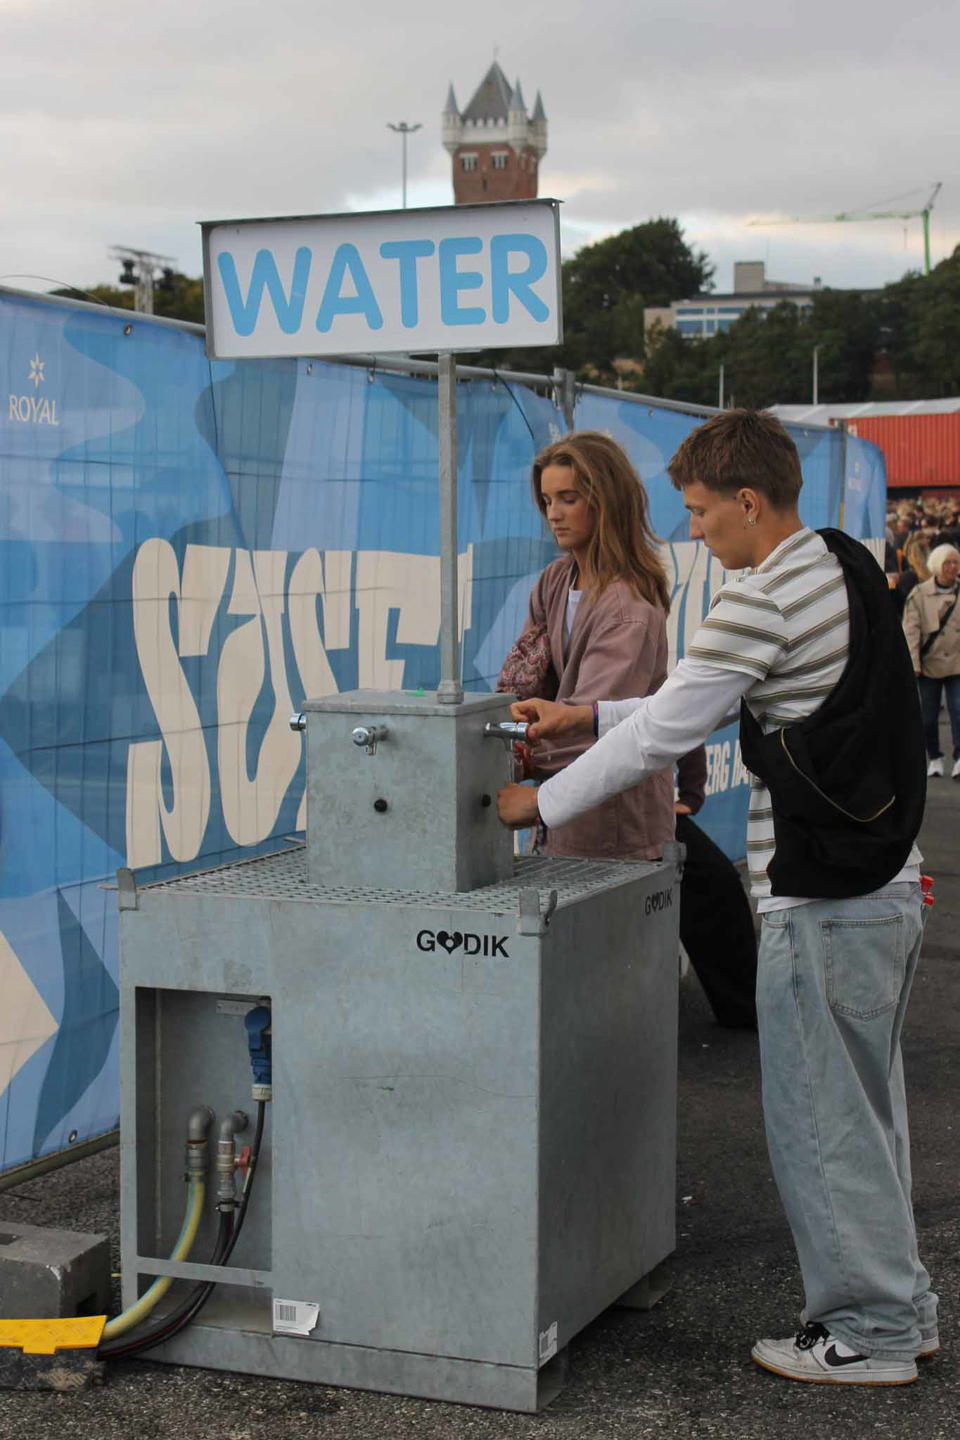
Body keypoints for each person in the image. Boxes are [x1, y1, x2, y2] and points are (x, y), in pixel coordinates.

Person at [498, 409, 936, 1386]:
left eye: (699, 513)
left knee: (822, 1124)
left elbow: (662, 733)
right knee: (868, 1116)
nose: (693, 532)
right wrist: (585, 711)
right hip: (886, 885)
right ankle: (901, 1308)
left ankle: (865, 1334)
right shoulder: (842, 564)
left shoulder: (757, 600)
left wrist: (540, 795)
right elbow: (683, 702)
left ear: (746, 502)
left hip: (820, 902)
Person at [498, 430, 674, 862]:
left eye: (568, 498)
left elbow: (594, 727)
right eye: (546, 501)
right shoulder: (554, 581)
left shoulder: (627, 607)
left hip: (616, 825)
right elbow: (523, 684)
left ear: (605, 500)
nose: (553, 514)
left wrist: (522, 760)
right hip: (560, 812)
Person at [673, 746, 758, 1028]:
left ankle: (749, 1009)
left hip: (646, 809)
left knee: (717, 884)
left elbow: (683, 715)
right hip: (579, 801)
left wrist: (691, 792)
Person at [902, 542, 960, 779]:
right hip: (929, 665)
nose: (952, 567)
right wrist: (913, 664)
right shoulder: (919, 594)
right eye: (947, 563)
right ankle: (935, 757)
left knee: (959, 710)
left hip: (957, 663)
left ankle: (959, 757)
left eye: (955, 562)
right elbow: (911, 631)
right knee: (928, 717)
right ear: (937, 565)